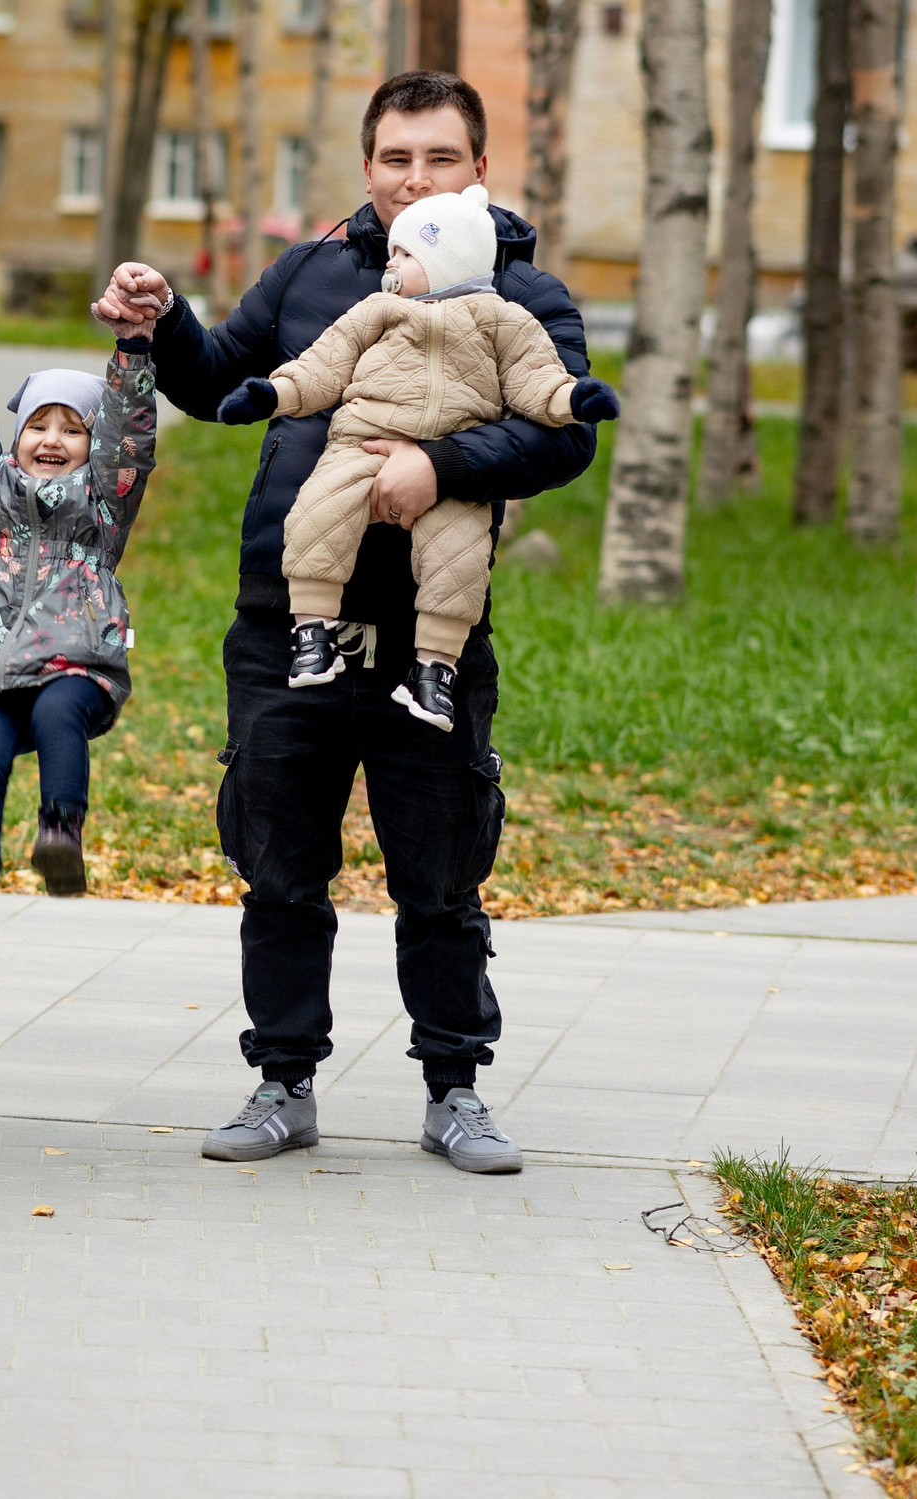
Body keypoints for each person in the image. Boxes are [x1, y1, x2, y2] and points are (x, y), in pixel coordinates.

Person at [91, 70, 597, 1175]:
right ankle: (282, 1083)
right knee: (276, 864)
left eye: (439, 158)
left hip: (430, 636)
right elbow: (219, 376)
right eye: (394, 159)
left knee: (441, 873)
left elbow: (566, 434)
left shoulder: (522, 295)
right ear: (367, 167)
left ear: (477, 169)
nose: (413, 179)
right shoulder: (312, 273)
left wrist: (440, 464)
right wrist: (161, 319)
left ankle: (454, 1089)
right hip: (286, 625)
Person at [215, 186, 618, 731]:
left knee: (460, 553)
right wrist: (274, 394)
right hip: (362, 439)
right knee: (320, 509)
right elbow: (322, 367)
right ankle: (312, 631)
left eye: (406, 255)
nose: (391, 263)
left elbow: (533, 379)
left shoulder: (504, 319)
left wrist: (571, 401)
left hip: (454, 466)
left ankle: (436, 669)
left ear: (443, 261)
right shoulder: (379, 310)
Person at [0, 319, 161, 939]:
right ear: (17, 434)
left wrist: (132, 352)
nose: (52, 439)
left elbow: (130, 431)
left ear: (93, 442)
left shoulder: (105, 495)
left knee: (58, 715)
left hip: (75, 657)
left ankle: (60, 832)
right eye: (38, 425)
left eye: (73, 429)